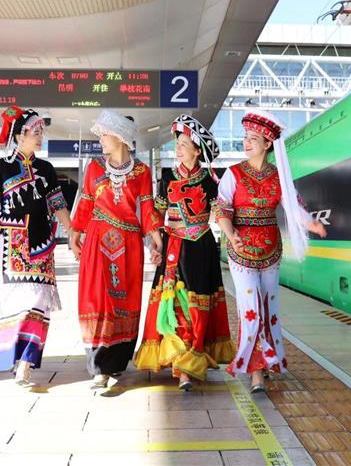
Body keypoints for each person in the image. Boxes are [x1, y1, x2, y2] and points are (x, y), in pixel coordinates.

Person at [214, 109, 327, 393]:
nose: (246, 142)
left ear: (267, 144)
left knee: (270, 310)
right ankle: (256, 371)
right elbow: (223, 209)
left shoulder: (278, 177)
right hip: (241, 252)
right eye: (245, 138)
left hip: (270, 251)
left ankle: (269, 361)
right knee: (251, 310)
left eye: (253, 138)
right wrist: (231, 234)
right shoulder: (233, 174)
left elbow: (293, 207)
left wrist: (311, 224)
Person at [0, 107, 72, 385]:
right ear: (19, 135)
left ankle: (26, 361)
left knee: (38, 302)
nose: (40, 137)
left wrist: (72, 230)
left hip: (42, 244)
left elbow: (57, 203)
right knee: (10, 303)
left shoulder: (46, 169)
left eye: (41, 132)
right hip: (9, 246)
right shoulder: (1, 167)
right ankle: (10, 355)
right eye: (34, 132)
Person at [134, 115, 235, 390]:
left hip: (201, 247)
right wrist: (154, 241)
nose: (177, 149)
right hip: (173, 248)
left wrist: (234, 236)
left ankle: (192, 360)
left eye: (182, 144)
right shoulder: (167, 178)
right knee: (174, 305)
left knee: (197, 307)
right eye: (177, 144)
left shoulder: (211, 182)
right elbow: (155, 212)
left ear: (196, 150)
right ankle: (181, 366)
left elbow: (220, 213)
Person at [69, 110, 163, 388]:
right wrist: (75, 231)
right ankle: (99, 366)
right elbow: (85, 202)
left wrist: (155, 237)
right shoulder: (95, 168)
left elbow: (146, 207)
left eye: (104, 135)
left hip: (129, 243)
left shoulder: (142, 172)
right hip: (98, 241)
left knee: (125, 300)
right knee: (98, 300)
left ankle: (117, 362)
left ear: (120, 137)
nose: (100, 140)